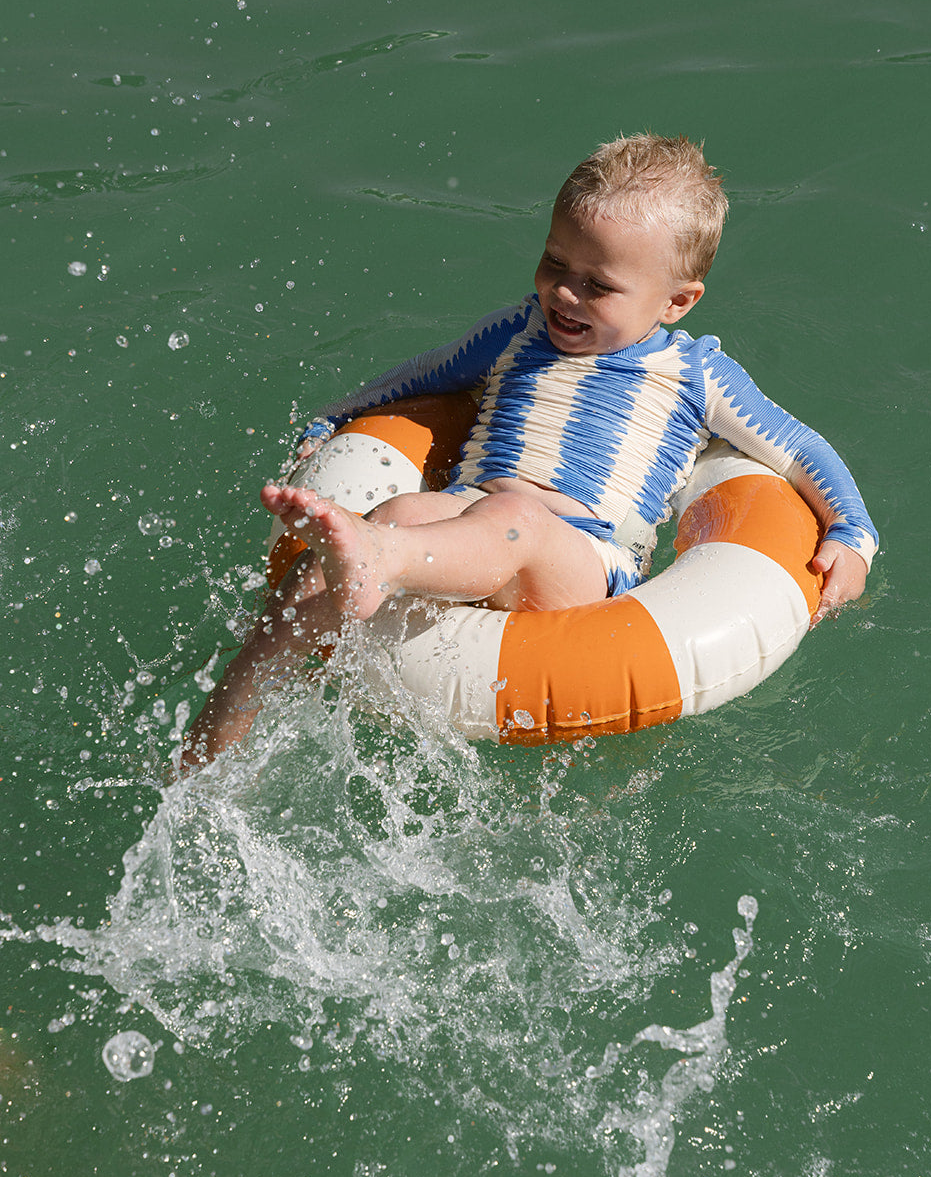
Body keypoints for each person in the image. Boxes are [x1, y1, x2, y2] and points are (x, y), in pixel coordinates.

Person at [182, 134, 876, 769]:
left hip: (575, 556)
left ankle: (379, 557)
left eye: (598, 285)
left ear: (677, 300)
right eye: (553, 262)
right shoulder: (519, 330)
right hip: (468, 517)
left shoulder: (695, 375)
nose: (563, 292)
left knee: (511, 520)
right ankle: (203, 755)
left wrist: (851, 533)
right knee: (395, 513)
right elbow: (430, 373)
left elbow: (795, 448)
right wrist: (338, 415)